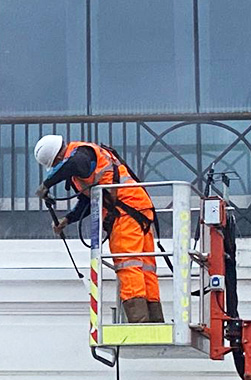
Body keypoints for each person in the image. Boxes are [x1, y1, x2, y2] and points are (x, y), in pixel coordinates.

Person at [33, 134, 164, 323]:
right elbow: (87, 200)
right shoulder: (87, 161)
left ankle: (140, 321)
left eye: (56, 165)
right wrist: (68, 220)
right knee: (145, 266)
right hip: (139, 208)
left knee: (127, 263)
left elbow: (72, 165)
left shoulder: (81, 155)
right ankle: (155, 319)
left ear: (58, 158)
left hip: (125, 213)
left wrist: (46, 184)